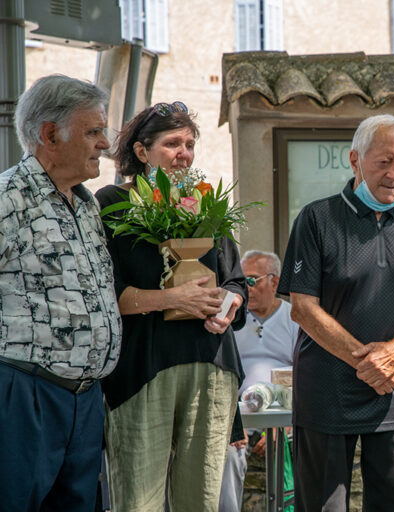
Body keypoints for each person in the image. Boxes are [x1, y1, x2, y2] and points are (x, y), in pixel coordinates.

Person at [277, 114, 394, 512]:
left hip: (393, 389)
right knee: (322, 506)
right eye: (384, 161)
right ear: (355, 159)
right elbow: (302, 308)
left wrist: (392, 355)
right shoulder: (317, 219)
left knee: (392, 503)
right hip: (327, 390)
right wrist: (368, 359)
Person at [95, 102, 248, 511]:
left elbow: (235, 279)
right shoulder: (111, 201)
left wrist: (228, 305)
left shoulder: (204, 200)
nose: (184, 152)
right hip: (145, 365)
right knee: (138, 499)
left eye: (190, 144)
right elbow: (104, 292)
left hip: (210, 363)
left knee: (200, 500)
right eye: (172, 143)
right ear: (142, 152)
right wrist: (172, 299)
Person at [0, 74, 122, 511]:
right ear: (50, 134)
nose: (105, 144)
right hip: (24, 396)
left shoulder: (85, 203)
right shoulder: (9, 197)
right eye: (93, 131)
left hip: (85, 400)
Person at [219, 250, 300, 512]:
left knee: (306, 448)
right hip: (241, 416)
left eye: (251, 281)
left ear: (274, 282)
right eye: (241, 282)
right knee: (226, 456)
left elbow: (305, 375)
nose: (245, 289)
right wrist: (234, 422)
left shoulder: (295, 318)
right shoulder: (231, 319)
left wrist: (285, 427)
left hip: (287, 415)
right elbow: (222, 374)